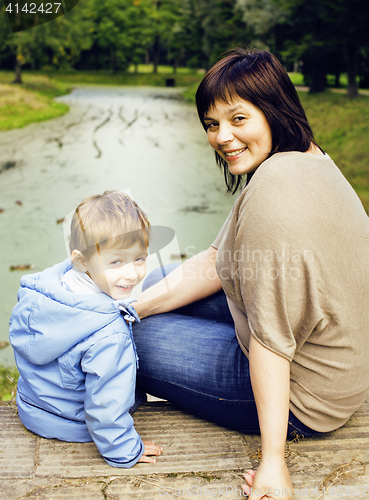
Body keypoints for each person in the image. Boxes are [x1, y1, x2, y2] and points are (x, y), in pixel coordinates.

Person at [131, 49, 369, 499]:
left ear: (274, 110)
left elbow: (271, 339)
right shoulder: (306, 157)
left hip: (307, 395)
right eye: (212, 124)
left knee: (123, 336)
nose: (223, 137)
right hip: (331, 350)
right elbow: (219, 259)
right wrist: (133, 306)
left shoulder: (273, 193)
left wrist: (273, 463)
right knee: (132, 288)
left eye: (239, 119)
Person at [9, 190, 163, 468]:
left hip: (33, 406)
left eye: (139, 259)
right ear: (81, 261)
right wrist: (125, 450)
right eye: (116, 261)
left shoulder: (44, 290)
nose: (131, 273)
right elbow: (106, 406)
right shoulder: (108, 333)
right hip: (73, 423)